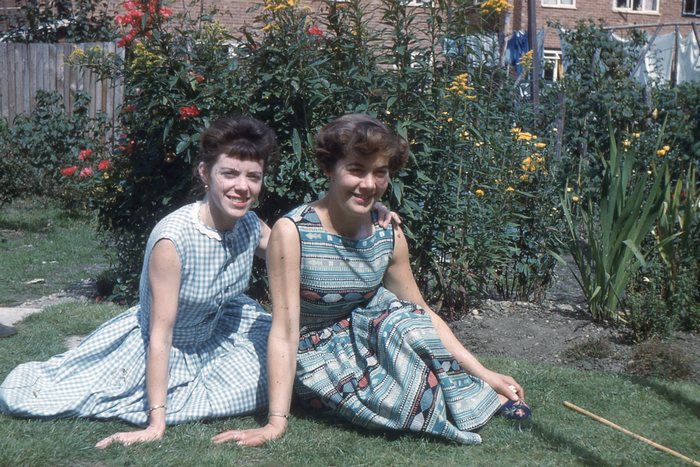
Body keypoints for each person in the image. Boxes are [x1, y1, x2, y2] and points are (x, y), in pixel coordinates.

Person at [213, 114, 531, 448]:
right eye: (356, 170)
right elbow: (285, 330)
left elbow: (421, 313)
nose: (369, 184)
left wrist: (486, 372)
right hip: (315, 353)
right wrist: (275, 423)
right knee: (397, 401)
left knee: (405, 319)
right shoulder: (293, 232)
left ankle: (478, 393)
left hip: (368, 338)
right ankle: (447, 400)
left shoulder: (387, 232)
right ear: (329, 169)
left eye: (380, 173)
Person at [0, 116, 277, 448]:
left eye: (253, 177)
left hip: (221, 330)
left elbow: (293, 256)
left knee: (287, 360)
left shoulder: (250, 225)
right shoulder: (174, 240)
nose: (242, 187)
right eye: (229, 173)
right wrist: (155, 422)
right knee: (33, 396)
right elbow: (161, 335)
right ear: (205, 173)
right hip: (166, 343)